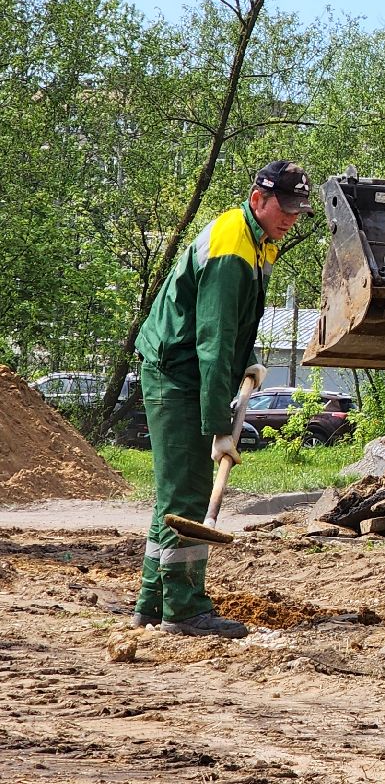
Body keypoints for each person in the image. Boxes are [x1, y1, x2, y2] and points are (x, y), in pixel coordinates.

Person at [132, 160, 313, 637]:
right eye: (285, 208)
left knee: (174, 494)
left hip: (188, 369)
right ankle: (184, 610)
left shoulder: (259, 241)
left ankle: (152, 602)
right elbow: (213, 340)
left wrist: (248, 360)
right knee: (187, 495)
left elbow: (234, 320)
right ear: (258, 199)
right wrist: (219, 428)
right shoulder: (234, 244)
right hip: (177, 374)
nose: (291, 218)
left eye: (298, 211)